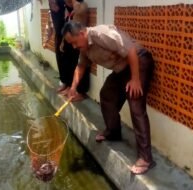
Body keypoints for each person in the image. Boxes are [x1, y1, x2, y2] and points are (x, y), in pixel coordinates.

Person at [62, 21, 156, 175]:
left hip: (138, 61)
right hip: (121, 69)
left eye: (73, 42)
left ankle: (146, 159)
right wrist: (73, 88)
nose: (73, 47)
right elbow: (80, 67)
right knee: (106, 95)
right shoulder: (84, 47)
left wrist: (135, 79)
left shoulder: (101, 33)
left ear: (81, 34)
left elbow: (130, 49)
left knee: (135, 104)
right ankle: (113, 132)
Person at [59, 0, 90, 101]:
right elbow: (67, 26)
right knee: (71, 64)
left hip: (81, 40)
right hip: (73, 39)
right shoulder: (69, 7)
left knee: (81, 65)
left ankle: (81, 92)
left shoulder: (81, 7)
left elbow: (77, 25)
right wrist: (63, 41)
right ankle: (70, 87)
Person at [45, 0, 66, 92]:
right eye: (50, 4)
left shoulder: (65, 10)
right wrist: (46, 40)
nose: (53, 5)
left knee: (67, 60)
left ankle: (68, 83)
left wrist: (64, 41)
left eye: (53, 3)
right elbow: (49, 26)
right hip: (58, 37)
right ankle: (63, 81)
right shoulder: (51, 13)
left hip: (67, 36)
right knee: (59, 59)